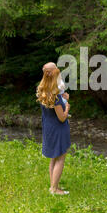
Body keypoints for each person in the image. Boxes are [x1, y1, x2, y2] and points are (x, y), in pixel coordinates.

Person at [37, 62, 71, 195]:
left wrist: (64, 99)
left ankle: (53, 185)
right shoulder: (55, 95)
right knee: (60, 157)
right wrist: (67, 107)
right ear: (55, 72)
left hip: (48, 127)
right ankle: (54, 189)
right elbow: (62, 117)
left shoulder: (43, 90)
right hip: (58, 128)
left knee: (53, 157)